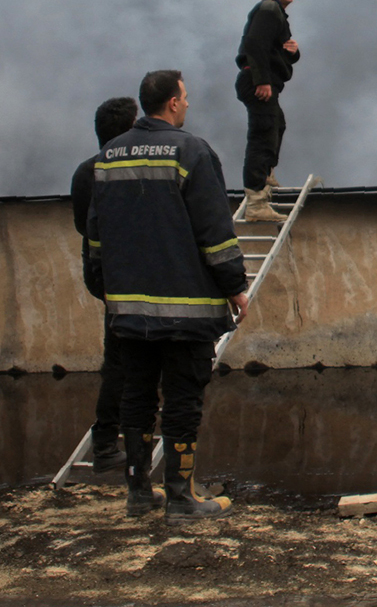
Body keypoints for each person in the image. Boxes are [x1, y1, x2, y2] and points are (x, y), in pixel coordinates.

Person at [88, 70, 249, 523]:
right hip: (185, 311)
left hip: (127, 310)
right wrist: (235, 286)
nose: (188, 104)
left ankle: (139, 493)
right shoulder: (191, 151)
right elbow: (215, 233)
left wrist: (109, 291)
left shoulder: (108, 156)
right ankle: (181, 499)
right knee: (182, 401)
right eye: (186, 97)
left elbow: (96, 240)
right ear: (173, 104)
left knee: (136, 397)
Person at [70, 97, 138, 475]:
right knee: (122, 362)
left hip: (102, 275)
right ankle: (108, 442)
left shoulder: (84, 172)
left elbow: (83, 227)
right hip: (125, 275)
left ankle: (111, 439)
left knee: (119, 359)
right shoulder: (119, 172)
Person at [235, 0, 300, 222]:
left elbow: (277, 54)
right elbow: (253, 44)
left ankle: (265, 176)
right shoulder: (269, 9)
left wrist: (293, 52)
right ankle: (256, 202)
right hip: (257, 81)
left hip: (264, 80)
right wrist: (261, 80)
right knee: (263, 134)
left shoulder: (277, 14)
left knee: (277, 125)